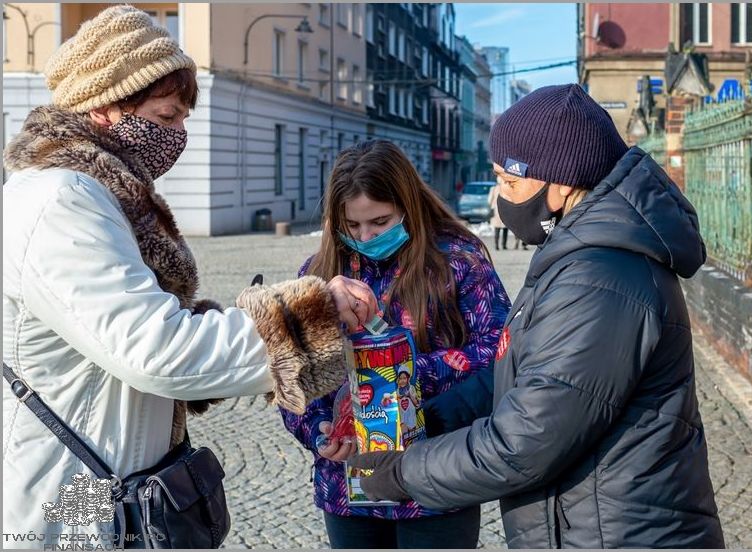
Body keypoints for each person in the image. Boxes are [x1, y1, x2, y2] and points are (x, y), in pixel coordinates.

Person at [2, 6, 375, 546]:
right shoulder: (63, 199)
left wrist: (246, 319)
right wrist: (308, 316)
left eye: (183, 119)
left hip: (106, 466)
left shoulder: (97, 194)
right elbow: (154, 349)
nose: (179, 134)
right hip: (72, 491)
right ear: (106, 104)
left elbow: (131, 325)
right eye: (166, 116)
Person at [349, 84, 726, 548]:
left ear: (560, 183)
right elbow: (527, 370)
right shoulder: (579, 254)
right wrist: (428, 419)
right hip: (590, 523)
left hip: (618, 533)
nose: (504, 199)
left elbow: (525, 442)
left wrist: (403, 472)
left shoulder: (601, 277)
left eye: (510, 182)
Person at [279, 139, 511, 549]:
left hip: (436, 482)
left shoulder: (458, 261)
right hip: (349, 489)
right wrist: (318, 431)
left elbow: (502, 350)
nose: (365, 236)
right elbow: (291, 373)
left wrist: (402, 372)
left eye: (380, 222)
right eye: (352, 226)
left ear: (408, 205)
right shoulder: (317, 275)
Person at [395, 365, 420, 434]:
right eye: (400, 378)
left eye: (404, 378)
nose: (402, 381)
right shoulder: (397, 391)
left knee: (413, 436)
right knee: (405, 435)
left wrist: (410, 395)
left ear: (408, 379)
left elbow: (416, 403)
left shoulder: (411, 388)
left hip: (412, 420)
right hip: (403, 421)